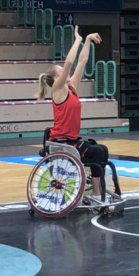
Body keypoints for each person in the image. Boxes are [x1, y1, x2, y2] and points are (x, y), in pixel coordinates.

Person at [36, 25, 106, 197]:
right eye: (62, 71)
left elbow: (81, 61)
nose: (66, 69)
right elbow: (69, 62)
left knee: (102, 150)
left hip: (72, 140)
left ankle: (98, 188)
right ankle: (97, 194)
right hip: (62, 142)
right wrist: (77, 40)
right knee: (97, 152)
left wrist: (87, 40)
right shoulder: (58, 89)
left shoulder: (71, 87)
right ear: (56, 78)